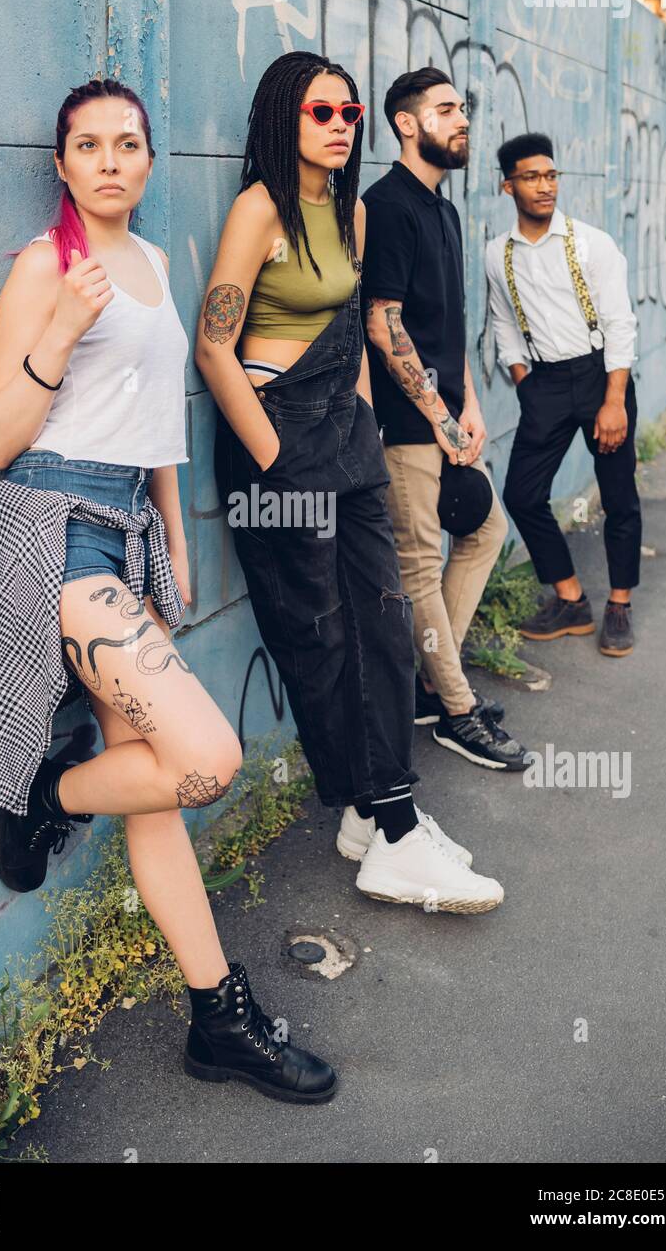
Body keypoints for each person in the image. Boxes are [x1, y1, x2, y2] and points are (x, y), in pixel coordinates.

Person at [0, 77, 337, 1103]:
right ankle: (45, 791)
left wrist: (172, 540)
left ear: (146, 156)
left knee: (156, 788)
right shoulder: (49, 265)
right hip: (55, 529)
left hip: (128, 528)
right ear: (60, 164)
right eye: (86, 145)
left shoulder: (152, 259)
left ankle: (217, 1013)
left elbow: (154, 419)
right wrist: (56, 333)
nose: (109, 161)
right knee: (207, 759)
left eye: (127, 143)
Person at [197, 50, 505, 913]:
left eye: (349, 113)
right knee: (325, 641)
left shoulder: (351, 216)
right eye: (320, 113)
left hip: (349, 438)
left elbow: (352, 335)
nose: (339, 127)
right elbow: (214, 346)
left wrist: (365, 426)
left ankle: (382, 819)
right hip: (281, 448)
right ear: (282, 121)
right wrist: (269, 455)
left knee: (385, 625)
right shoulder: (260, 211)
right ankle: (390, 827)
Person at [361, 67, 530, 771]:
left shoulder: (444, 207)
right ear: (407, 123)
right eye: (445, 109)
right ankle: (457, 712)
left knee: (486, 529)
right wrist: (436, 415)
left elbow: (447, 322)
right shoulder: (388, 205)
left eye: (463, 107)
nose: (461, 118)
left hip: (447, 415)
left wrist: (471, 404)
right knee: (420, 567)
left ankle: (436, 680)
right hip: (406, 428)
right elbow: (383, 322)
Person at [486, 132, 640, 657]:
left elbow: (621, 324)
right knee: (522, 495)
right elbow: (503, 323)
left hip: (601, 376)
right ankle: (571, 598)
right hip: (545, 384)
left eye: (551, 175)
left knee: (618, 493)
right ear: (508, 187)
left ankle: (618, 603)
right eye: (531, 177)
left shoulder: (592, 243)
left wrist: (614, 399)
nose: (546, 186)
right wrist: (525, 383)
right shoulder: (497, 255)